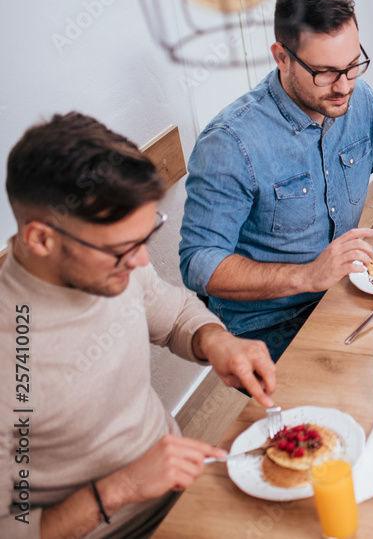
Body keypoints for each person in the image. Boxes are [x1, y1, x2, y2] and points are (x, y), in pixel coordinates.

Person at [1, 113, 276, 539]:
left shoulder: (116, 266)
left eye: (146, 236)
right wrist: (122, 487)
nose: (143, 262)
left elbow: (175, 316)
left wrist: (216, 339)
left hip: (187, 487)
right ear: (41, 240)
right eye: (123, 249)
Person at [180, 0, 373, 362]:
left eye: (353, 66)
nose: (343, 85)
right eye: (325, 72)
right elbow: (198, 262)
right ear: (281, 57)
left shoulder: (357, 97)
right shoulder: (231, 142)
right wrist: (308, 275)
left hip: (348, 290)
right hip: (270, 325)